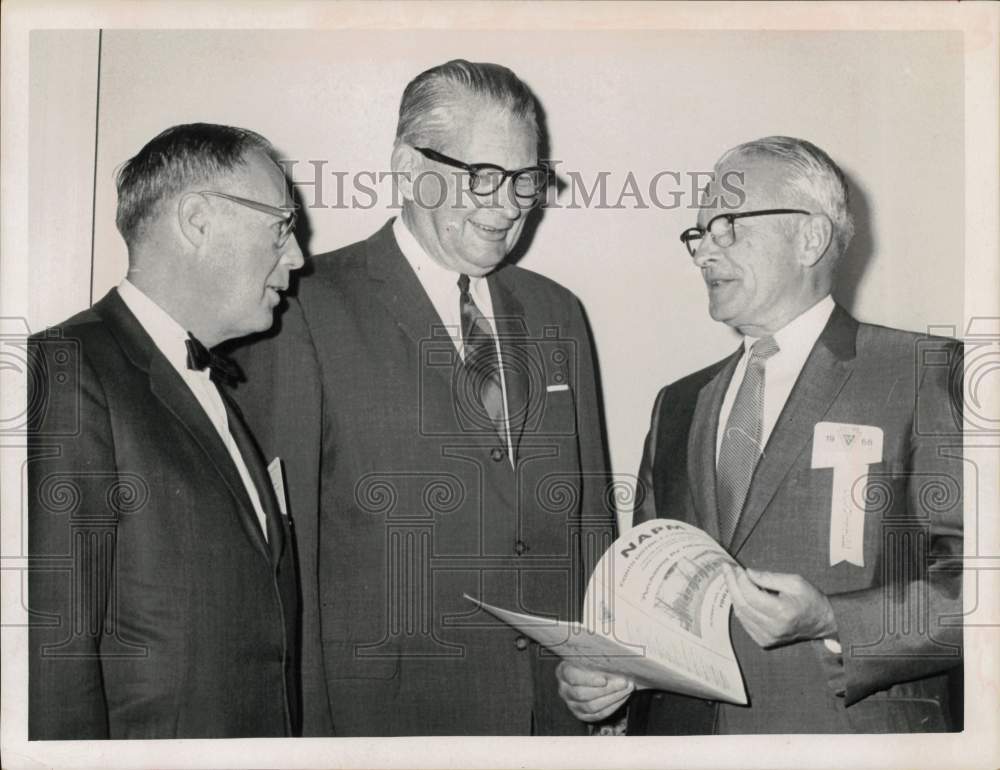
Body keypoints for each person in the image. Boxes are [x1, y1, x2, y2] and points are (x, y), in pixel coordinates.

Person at [229, 59, 614, 735]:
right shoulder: (302, 311)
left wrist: (604, 658)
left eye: (526, 179)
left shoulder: (559, 312)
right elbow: (282, 566)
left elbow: (591, 521)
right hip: (386, 722)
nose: (508, 205)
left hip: (551, 715)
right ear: (409, 168)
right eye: (483, 176)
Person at [556, 136, 963, 733]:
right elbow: (645, 594)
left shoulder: (920, 372)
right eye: (699, 234)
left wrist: (834, 620)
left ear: (810, 238)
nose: (703, 252)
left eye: (727, 226)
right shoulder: (677, 404)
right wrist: (610, 671)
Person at [28, 123, 306, 739]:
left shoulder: (212, 383)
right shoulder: (67, 369)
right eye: (280, 227)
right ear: (198, 221)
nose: (296, 257)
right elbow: (52, 655)